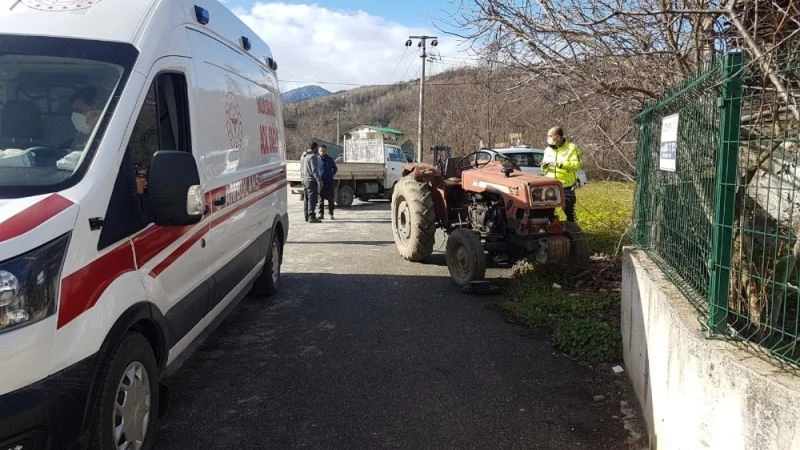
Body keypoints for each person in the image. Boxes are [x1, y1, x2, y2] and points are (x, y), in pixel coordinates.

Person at [542, 126, 582, 223]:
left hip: (566, 186)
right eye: (548, 136)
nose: (548, 138)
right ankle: (551, 228)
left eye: (550, 136)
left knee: (569, 212)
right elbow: (543, 169)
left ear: (558, 137)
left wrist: (560, 164)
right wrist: (544, 166)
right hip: (550, 185)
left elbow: (577, 165)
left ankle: (573, 228)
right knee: (548, 212)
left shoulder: (571, 148)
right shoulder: (547, 150)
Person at [300, 141, 323, 223]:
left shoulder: (303, 156)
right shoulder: (313, 157)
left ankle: (306, 216)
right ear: (315, 148)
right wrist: (319, 180)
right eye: (317, 148)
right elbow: (314, 170)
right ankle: (311, 216)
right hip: (311, 181)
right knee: (312, 199)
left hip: (304, 180)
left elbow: (301, 169)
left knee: (306, 199)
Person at [318, 144, 338, 219]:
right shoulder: (317, 160)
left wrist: (331, 175)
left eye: (324, 151)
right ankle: (321, 214)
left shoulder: (330, 159)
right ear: (318, 151)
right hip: (320, 182)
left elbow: (335, 169)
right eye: (321, 151)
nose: (322, 152)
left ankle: (331, 214)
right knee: (321, 199)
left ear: (326, 151)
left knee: (330, 199)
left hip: (329, 182)